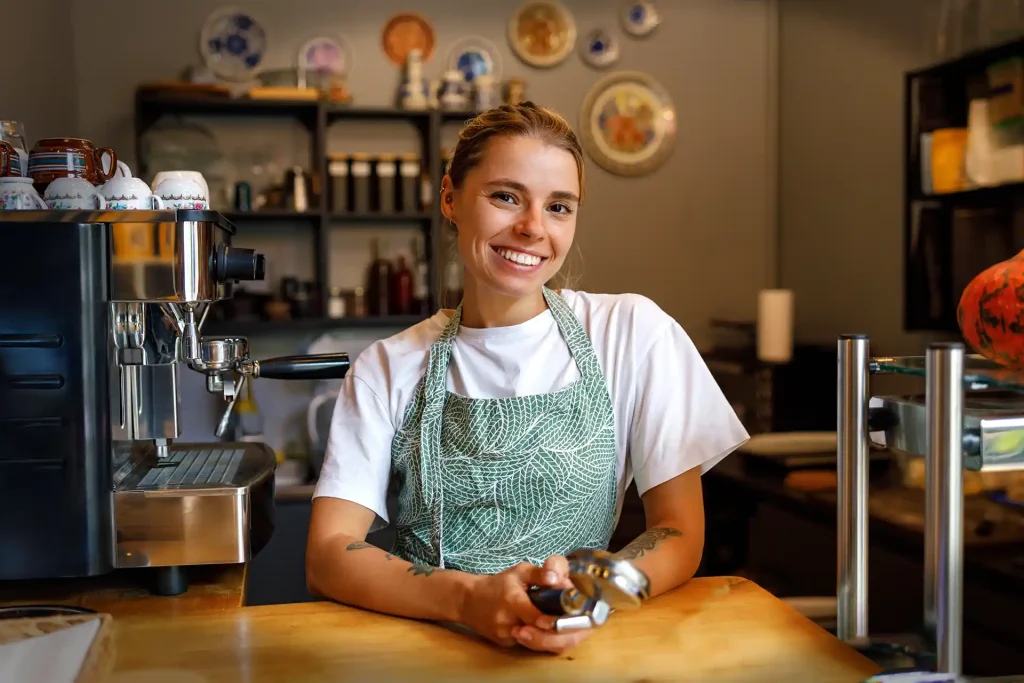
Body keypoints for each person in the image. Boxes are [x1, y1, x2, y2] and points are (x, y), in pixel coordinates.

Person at [306, 101, 749, 654]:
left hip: (579, 646)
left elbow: (679, 532)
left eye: (559, 206)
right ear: (450, 198)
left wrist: (590, 596)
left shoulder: (634, 333)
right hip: (426, 653)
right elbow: (328, 552)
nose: (533, 228)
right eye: (506, 197)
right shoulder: (387, 366)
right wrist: (467, 599)